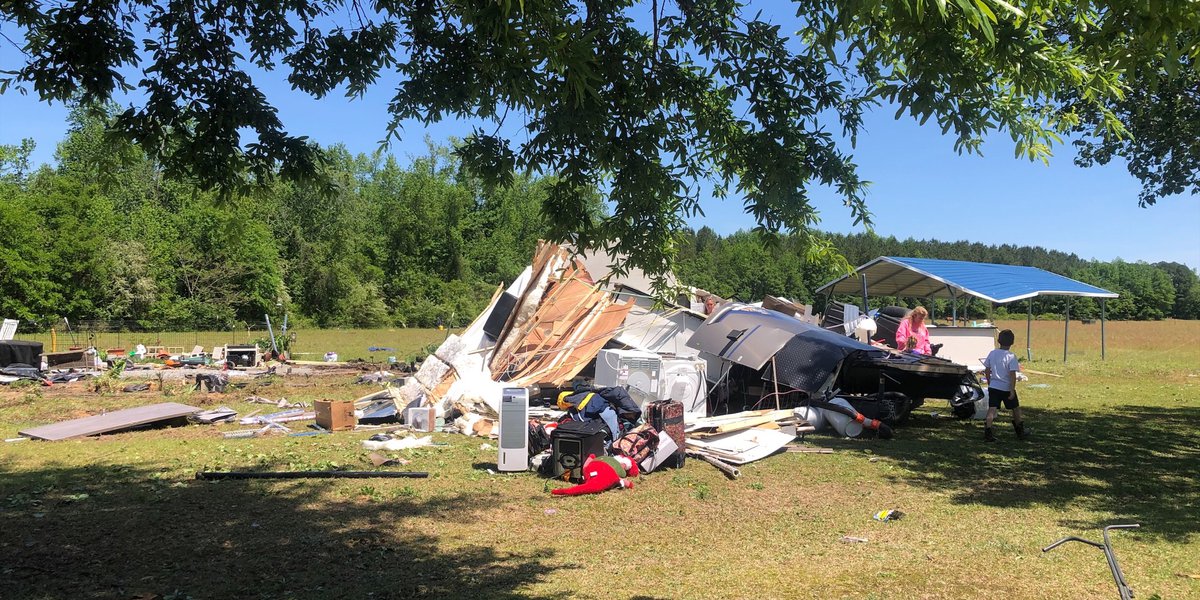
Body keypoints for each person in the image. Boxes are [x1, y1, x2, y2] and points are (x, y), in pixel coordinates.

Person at [982, 329, 1029, 442]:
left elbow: (987, 369)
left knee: (992, 409)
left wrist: (989, 381)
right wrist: (1012, 389)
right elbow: (1012, 374)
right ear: (1012, 342)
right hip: (1006, 387)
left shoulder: (992, 353)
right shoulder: (1011, 356)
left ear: (998, 341)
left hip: (994, 386)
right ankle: (1020, 431)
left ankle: (988, 431)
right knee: (1015, 409)